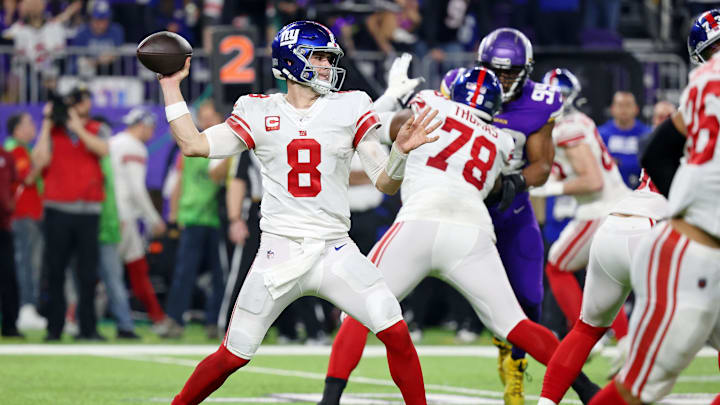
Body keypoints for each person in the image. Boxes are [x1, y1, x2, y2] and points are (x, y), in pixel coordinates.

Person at [158, 20, 441, 405]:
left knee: (395, 332)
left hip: (335, 249)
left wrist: (400, 155)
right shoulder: (257, 110)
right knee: (232, 355)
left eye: (328, 58)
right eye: (319, 56)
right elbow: (192, 144)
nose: (327, 66)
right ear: (291, 60)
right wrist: (170, 85)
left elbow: (384, 182)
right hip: (280, 251)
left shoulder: (351, 105)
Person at [317, 68, 599, 405]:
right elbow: (499, 185)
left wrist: (392, 97)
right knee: (514, 324)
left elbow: (367, 126)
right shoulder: (502, 140)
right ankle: (587, 389)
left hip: (420, 220)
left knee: (357, 309)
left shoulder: (428, 105)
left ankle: (330, 400)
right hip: (472, 230)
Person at [588, 10, 720, 404]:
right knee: (637, 391)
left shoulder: (702, 81)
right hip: (693, 255)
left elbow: (659, 150)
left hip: (693, 244)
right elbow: (659, 152)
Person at [475, 28, 600, 404]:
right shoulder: (459, 88)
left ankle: (515, 363)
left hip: (511, 208)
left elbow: (542, 166)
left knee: (529, 300)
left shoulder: (541, 101)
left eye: (510, 72)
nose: (501, 81)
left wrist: (504, 186)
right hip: (466, 212)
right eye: (494, 71)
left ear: (527, 71)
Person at [532, 68, 632, 334]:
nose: (559, 101)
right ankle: (624, 342)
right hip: (617, 208)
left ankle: (583, 334)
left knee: (557, 264)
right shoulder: (580, 122)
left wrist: (551, 188)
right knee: (605, 280)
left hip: (598, 210)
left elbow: (592, 181)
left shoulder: (568, 129)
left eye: (562, 95)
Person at [33, 85, 109, 341]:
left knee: (87, 273)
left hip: (88, 210)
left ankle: (87, 328)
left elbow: (103, 150)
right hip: (58, 209)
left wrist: (77, 127)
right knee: (54, 271)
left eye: (82, 100)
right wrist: (46, 122)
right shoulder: (53, 132)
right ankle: (54, 327)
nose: (79, 105)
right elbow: (39, 161)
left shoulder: (97, 128)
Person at [161, 101, 227, 340]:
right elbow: (179, 179)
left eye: (211, 117)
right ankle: (175, 321)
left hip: (217, 219)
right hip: (193, 216)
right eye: (204, 117)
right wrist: (173, 214)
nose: (207, 122)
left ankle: (215, 323)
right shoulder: (191, 146)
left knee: (221, 276)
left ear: (220, 119)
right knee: (184, 274)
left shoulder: (225, 146)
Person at [109, 107, 168, 330]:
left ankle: (157, 317)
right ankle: (75, 315)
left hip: (111, 213)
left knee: (135, 267)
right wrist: (154, 218)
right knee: (113, 269)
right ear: (143, 125)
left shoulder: (114, 142)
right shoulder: (134, 147)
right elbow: (136, 190)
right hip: (123, 214)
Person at [4, 112, 46, 330]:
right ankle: (25, 307)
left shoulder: (23, 150)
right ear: (17, 129)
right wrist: (41, 160)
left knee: (31, 264)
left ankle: (29, 307)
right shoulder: (15, 150)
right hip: (23, 215)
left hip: (31, 214)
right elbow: (28, 177)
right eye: (29, 122)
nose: (33, 126)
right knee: (26, 264)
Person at [597, 91, 651, 189]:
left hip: (640, 192)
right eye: (620, 105)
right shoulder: (599, 134)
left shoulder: (648, 134)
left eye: (628, 105)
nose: (624, 109)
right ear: (612, 109)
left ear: (636, 109)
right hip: (609, 191)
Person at [0, 145, 22, 338]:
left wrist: (9, 204)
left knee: (8, 276)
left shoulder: (6, 156)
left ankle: (9, 325)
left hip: (3, 225)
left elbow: (15, 184)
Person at [71, 0, 125, 76]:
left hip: (112, 75)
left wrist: (98, 60)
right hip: (87, 76)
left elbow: (118, 53)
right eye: (98, 20)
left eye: (104, 20)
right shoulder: (82, 33)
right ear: (91, 18)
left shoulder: (116, 30)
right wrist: (97, 61)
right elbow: (77, 60)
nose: (101, 24)